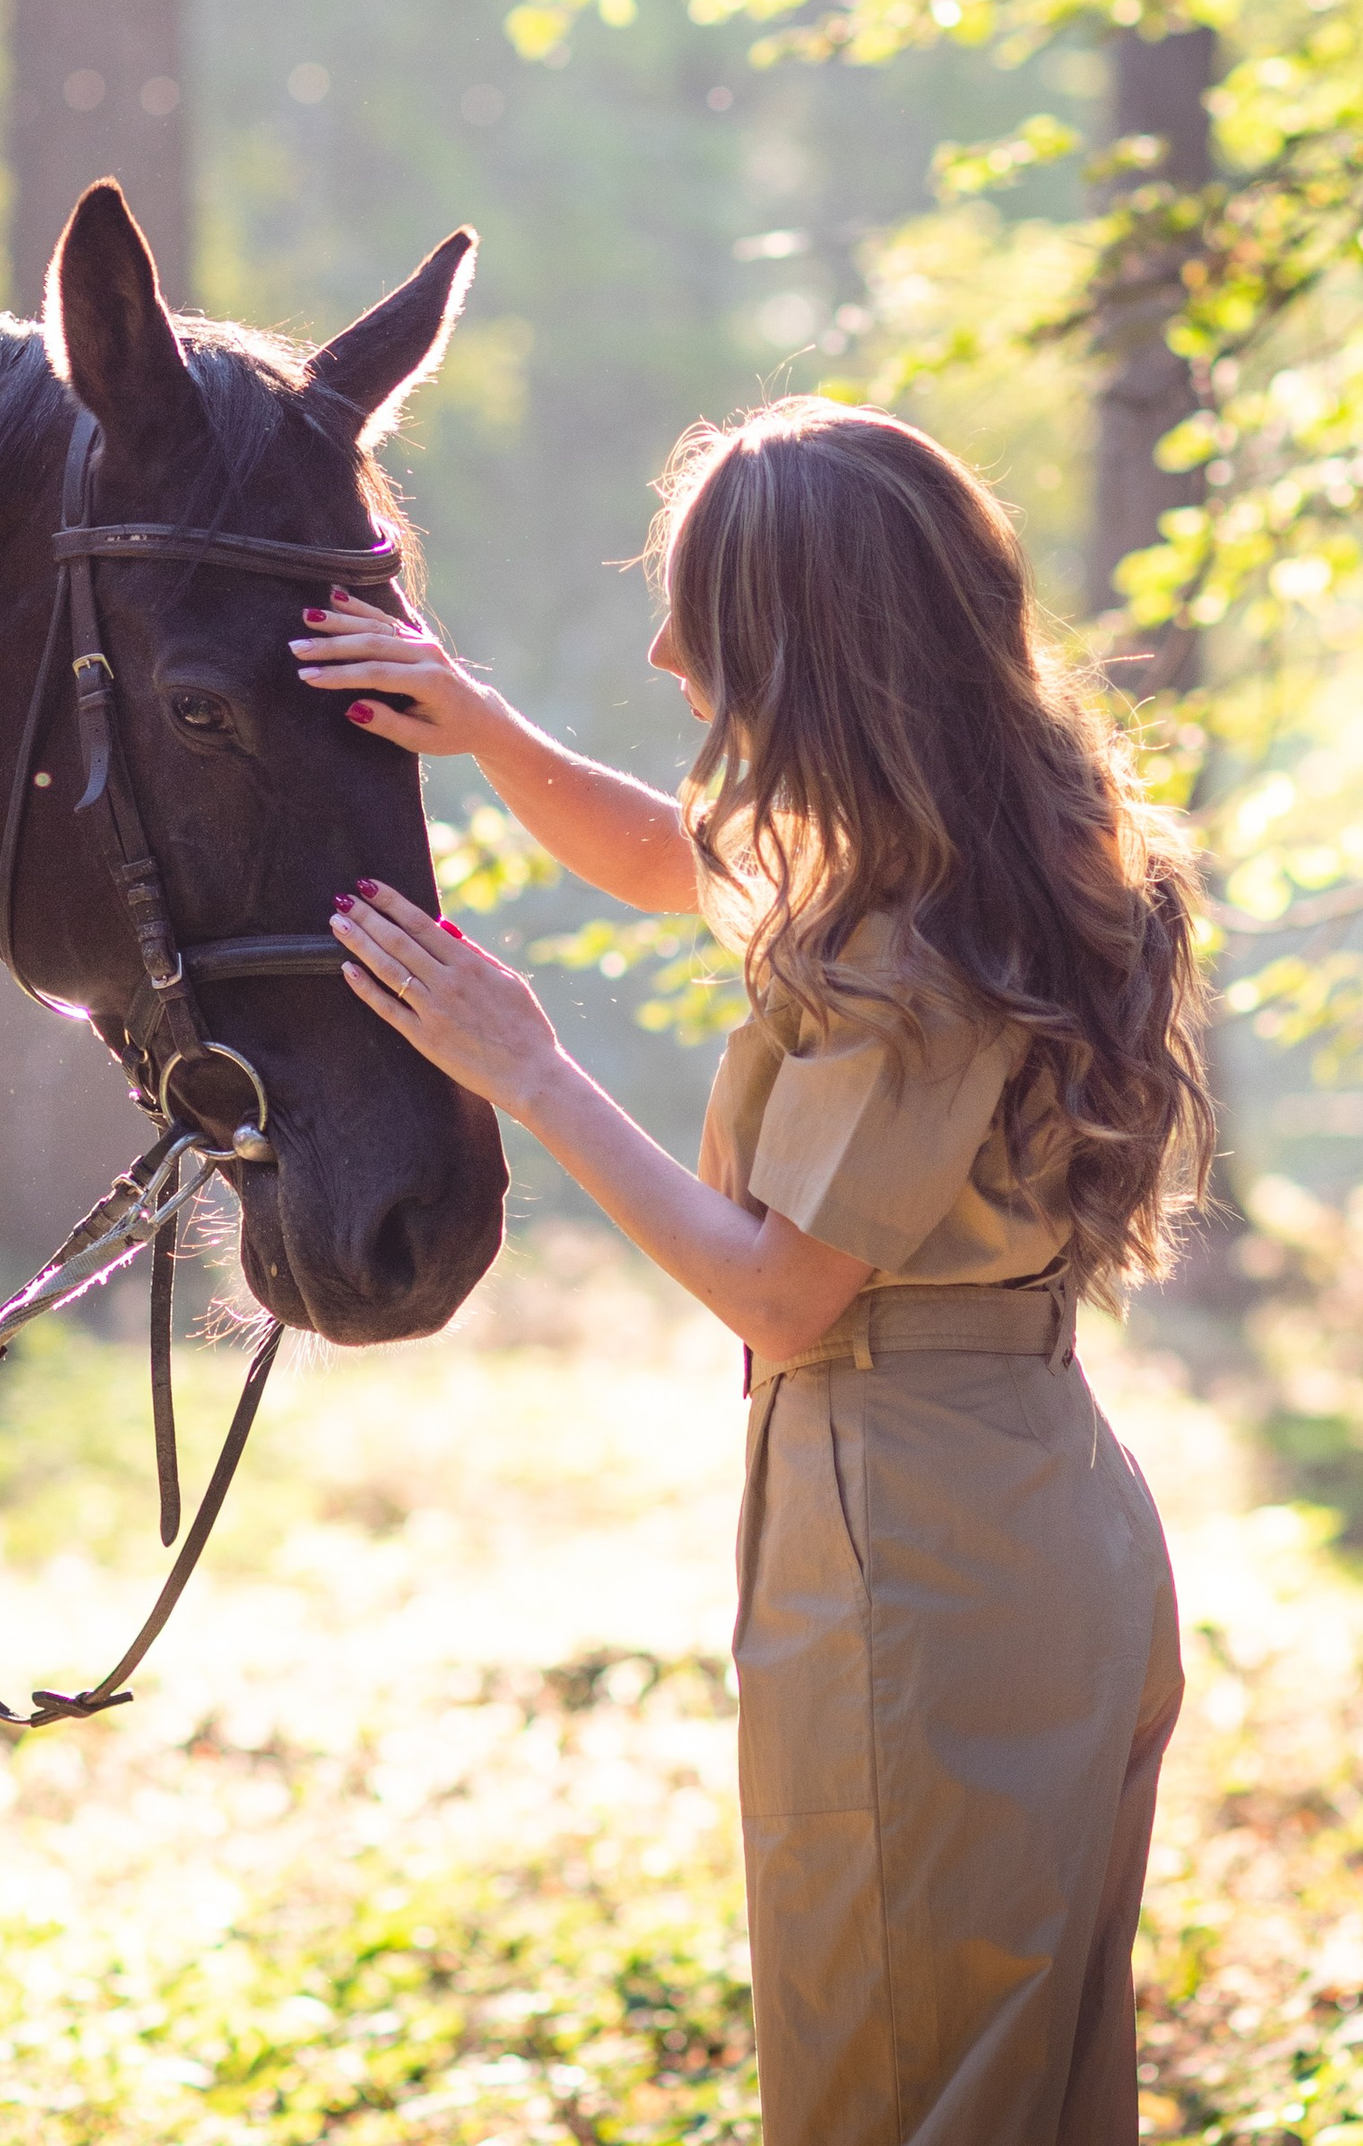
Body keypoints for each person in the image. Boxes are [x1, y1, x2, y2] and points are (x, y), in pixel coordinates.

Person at [292, 392, 1212, 2146]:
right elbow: (674, 860)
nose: (661, 650)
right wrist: (478, 724)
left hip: (916, 1550)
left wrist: (528, 1069)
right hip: (1024, 1512)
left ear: (809, 642)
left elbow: (786, 1291)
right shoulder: (972, 852)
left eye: (700, 619)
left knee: (892, 2090)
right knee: (1021, 2094)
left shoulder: (916, 930)